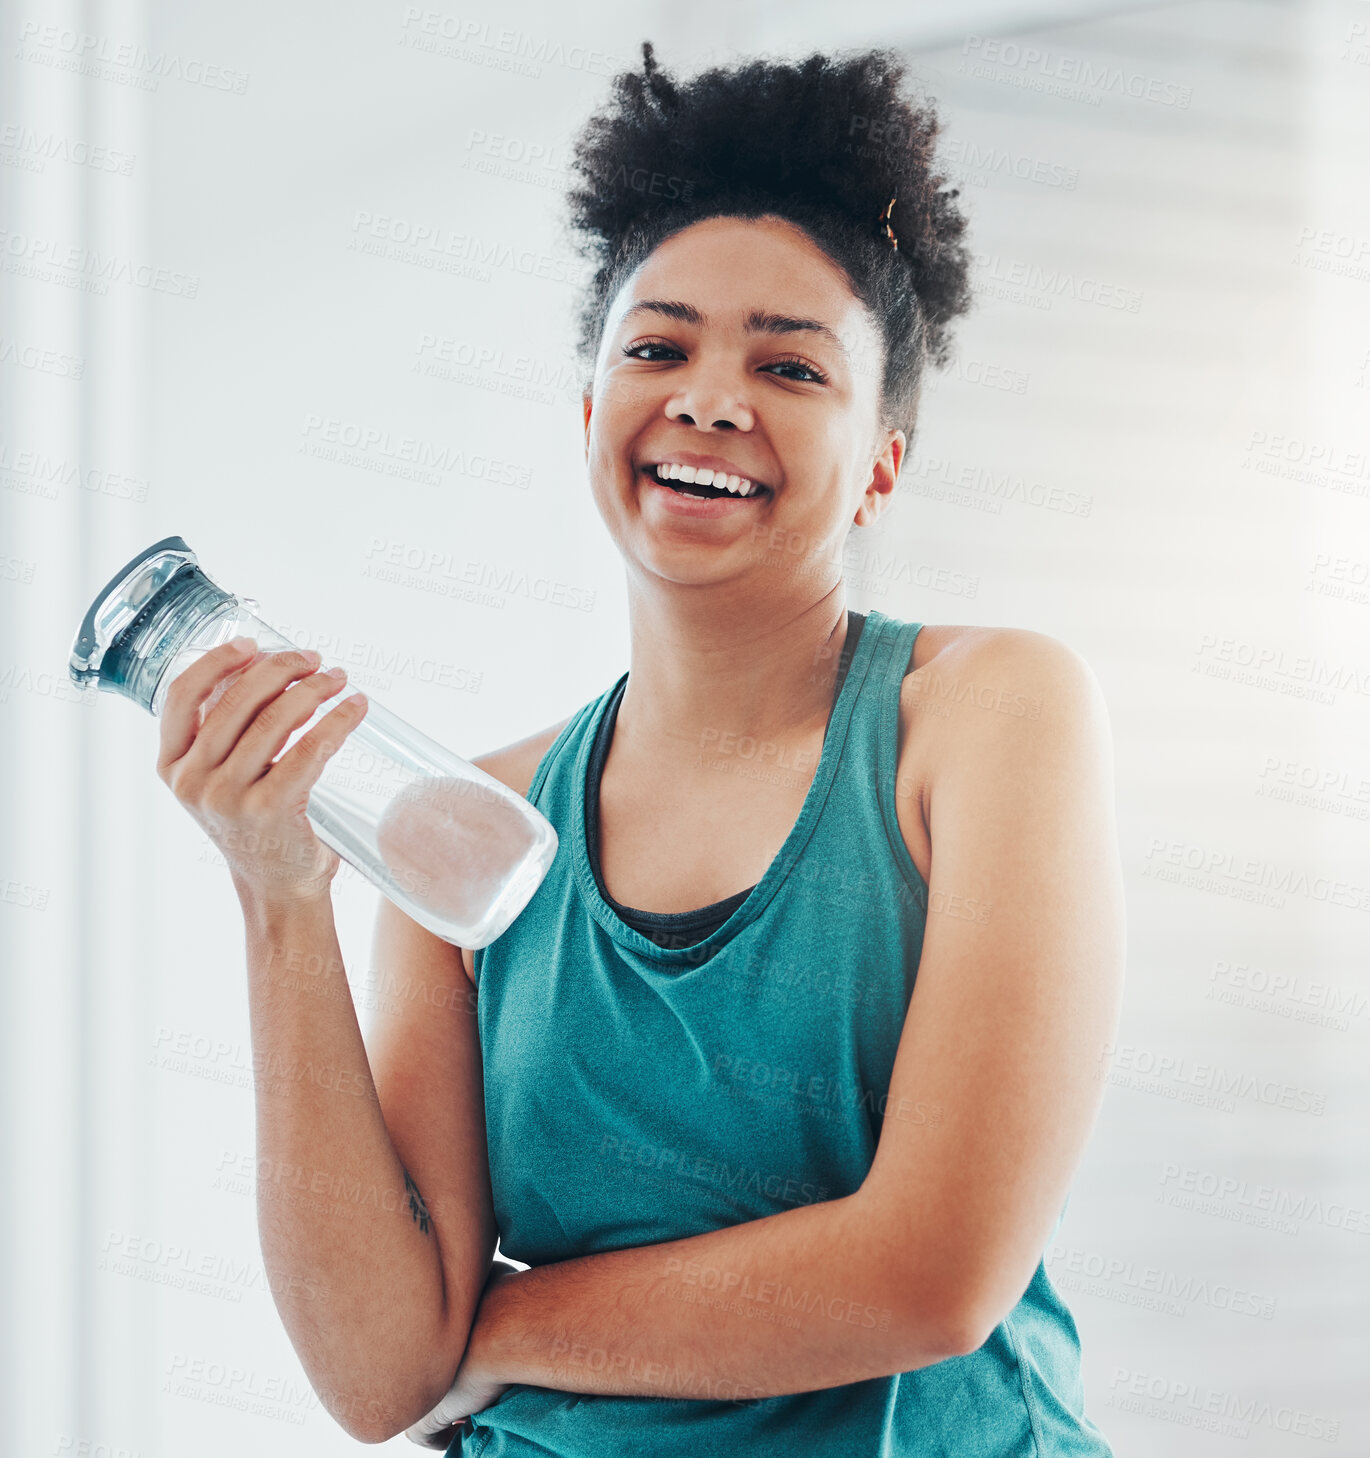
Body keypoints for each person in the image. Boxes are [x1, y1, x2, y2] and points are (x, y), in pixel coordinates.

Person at [157, 40, 1125, 1457]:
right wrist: (277, 889)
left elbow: (933, 1274)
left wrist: (494, 1330)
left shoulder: (986, 714)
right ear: (590, 415)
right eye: (656, 347)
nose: (710, 397)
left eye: (789, 364)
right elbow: (377, 1374)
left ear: (880, 463)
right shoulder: (469, 816)